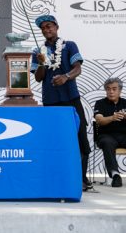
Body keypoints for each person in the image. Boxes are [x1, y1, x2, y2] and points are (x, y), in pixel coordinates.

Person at [30, 14, 92, 192]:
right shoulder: (38, 51)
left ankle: (81, 178)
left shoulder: (69, 45)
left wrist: (66, 77)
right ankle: (56, 177)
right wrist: (41, 64)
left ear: (56, 27)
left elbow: (77, 68)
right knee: (54, 140)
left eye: (49, 26)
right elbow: (38, 78)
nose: (46, 30)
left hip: (71, 98)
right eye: (43, 28)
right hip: (50, 102)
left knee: (80, 137)